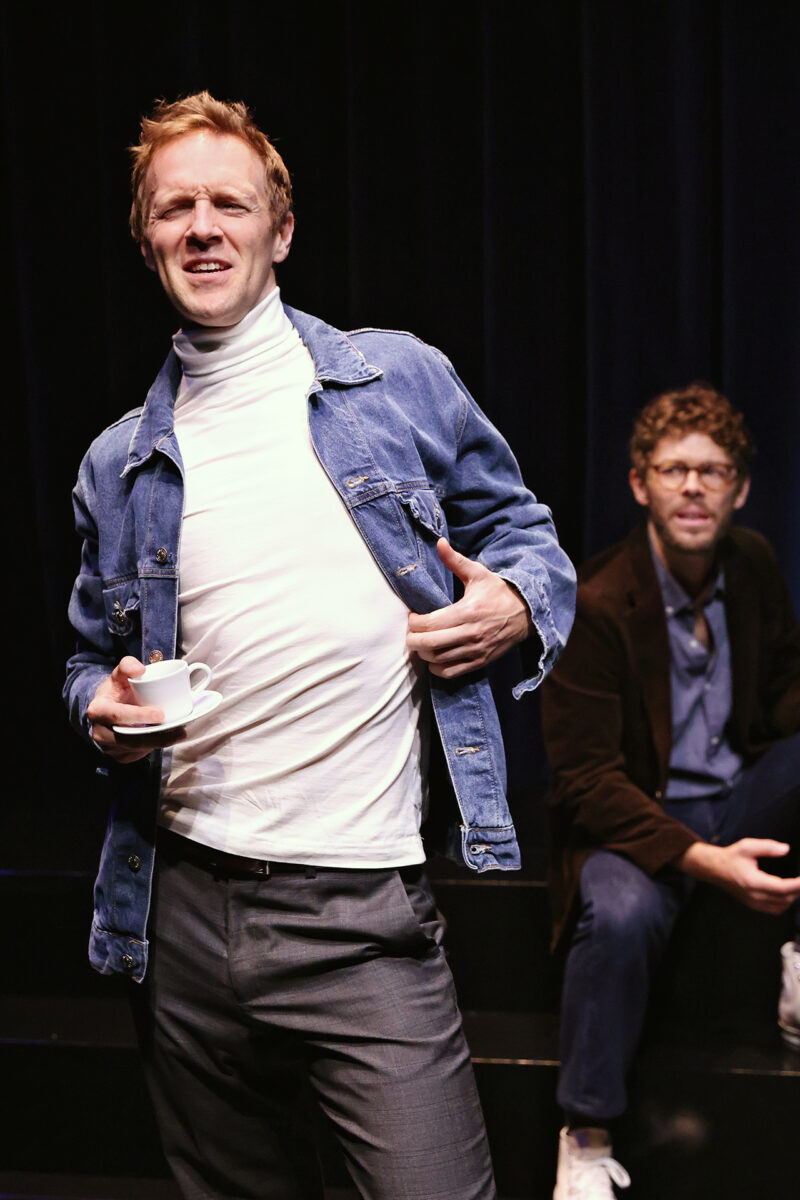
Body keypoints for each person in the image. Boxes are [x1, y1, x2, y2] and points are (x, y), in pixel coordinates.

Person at [63, 91, 576, 1200]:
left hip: (360, 913)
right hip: (182, 913)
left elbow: (525, 535)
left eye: (227, 204)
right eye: (173, 207)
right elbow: (80, 663)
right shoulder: (116, 463)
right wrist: (94, 711)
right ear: (147, 238)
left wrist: (518, 608)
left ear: (278, 231)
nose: (201, 225)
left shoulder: (393, 381)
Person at [540, 383, 800, 1199]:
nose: (693, 487)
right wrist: (709, 863)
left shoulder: (752, 563)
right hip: (638, 819)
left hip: (738, 795)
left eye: (713, 471)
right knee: (618, 913)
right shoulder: (596, 603)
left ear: (741, 488)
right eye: (674, 469)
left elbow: (784, 694)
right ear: (639, 483)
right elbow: (586, 785)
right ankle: (585, 1135)